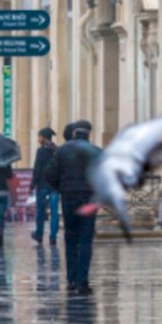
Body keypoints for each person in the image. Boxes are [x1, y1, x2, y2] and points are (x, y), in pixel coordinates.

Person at [45, 121, 101, 295]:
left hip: (69, 197)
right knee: (85, 240)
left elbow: (49, 173)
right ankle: (82, 281)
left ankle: (71, 280)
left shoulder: (61, 151)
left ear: (74, 133)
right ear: (89, 134)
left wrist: (61, 187)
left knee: (70, 238)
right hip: (89, 198)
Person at [30, 127, 59, 246]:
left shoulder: (41, 151)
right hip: (55, 186)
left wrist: (33, 184)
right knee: (54, 212)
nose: (38, 139)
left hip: (42, 185)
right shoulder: (57, 150)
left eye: (39, 136)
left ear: (44, 137)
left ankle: (39, 234)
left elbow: (37, 168)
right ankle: (53, 237)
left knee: (41, 211)